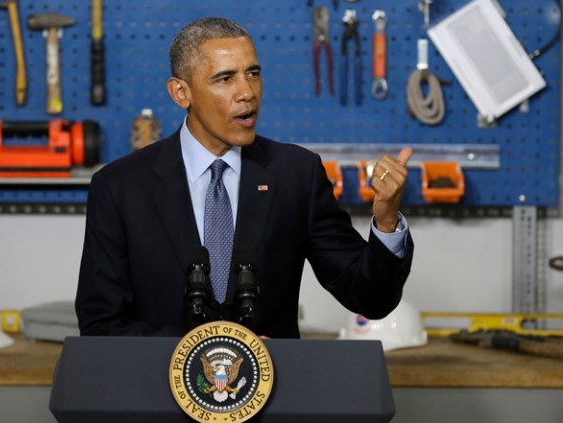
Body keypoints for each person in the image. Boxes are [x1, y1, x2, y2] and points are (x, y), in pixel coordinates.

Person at [75, 17, 413, 338]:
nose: (247, 92)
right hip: (158, 394)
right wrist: (208, 351)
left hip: (274, 394)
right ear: (181, 93)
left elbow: (370, 299)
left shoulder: (297, 174)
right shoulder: (120, 187)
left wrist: (385, 223)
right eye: (225, 79)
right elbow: (101, 324)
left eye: (253, 74)